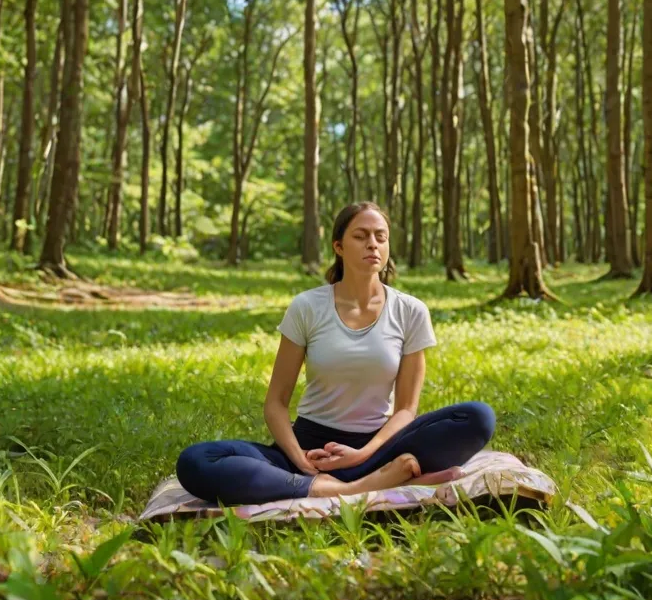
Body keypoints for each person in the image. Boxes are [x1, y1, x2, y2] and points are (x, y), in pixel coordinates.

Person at [175, 201, 496, 506]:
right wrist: (298, 457)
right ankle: (354, 487)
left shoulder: (410, 311)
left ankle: (348, 479)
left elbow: (406, 410)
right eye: (361, 236)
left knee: (478, 417)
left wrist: (362, 454)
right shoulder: (307, 307)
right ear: (338, 247)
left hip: (378, 448)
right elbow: (275, 403)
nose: (373, 244)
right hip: (307, 451)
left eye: (380, 237)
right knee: (196, 461)